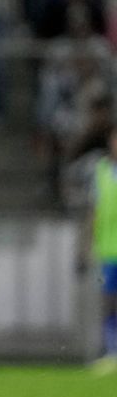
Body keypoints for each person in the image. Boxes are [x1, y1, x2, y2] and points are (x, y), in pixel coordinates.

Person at [85, 128, 117, 373]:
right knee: (109, 303)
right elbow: (94, 210)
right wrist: (85, 245)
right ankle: (112, 352)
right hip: (108, 249)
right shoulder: (102, 171)